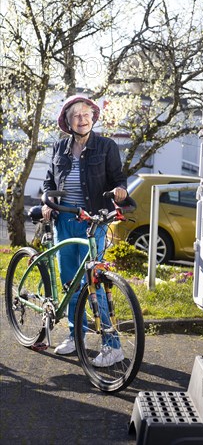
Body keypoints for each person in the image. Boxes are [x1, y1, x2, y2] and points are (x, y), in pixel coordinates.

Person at [42, 94, 128, 367]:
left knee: (95, 282)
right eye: (76, 115)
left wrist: (120, 191)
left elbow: (119, 179)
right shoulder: (59, 147)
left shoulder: (106, 146)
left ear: (93, 117)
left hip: (93, 222)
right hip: (65, 221)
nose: (82, 119)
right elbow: (49, 180)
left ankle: (112, 345)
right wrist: (48, 201)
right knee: (70, 282)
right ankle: (73, 335)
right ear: (68, 121)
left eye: (86, 114)